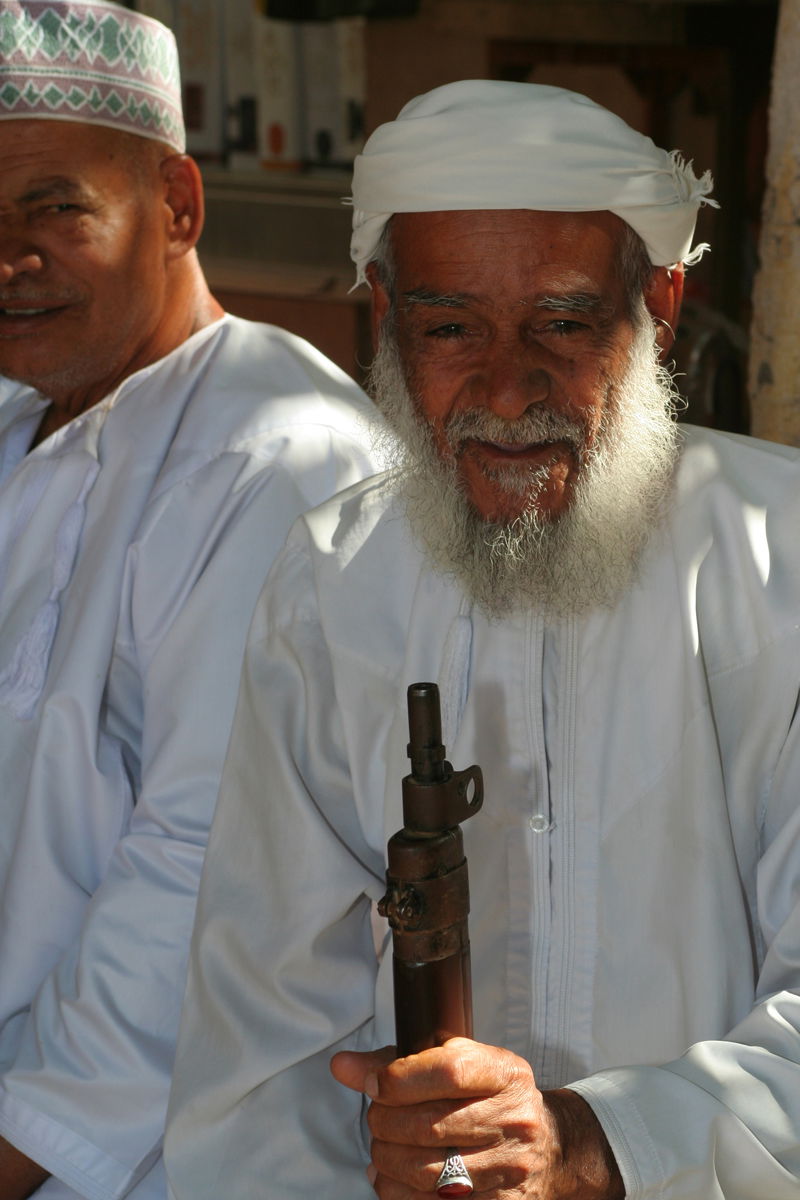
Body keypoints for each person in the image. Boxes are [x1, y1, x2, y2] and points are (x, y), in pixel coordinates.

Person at [165, 80, 800, 1199]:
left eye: (561, 321)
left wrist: (601, 1144)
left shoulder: (778, 557)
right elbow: (263, 1044)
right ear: (382, 310)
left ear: (655, 300)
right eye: (448, 327)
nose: (506, 391)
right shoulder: (332, 580)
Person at [0, 2, 384, 1197]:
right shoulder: (20, 423)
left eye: (53, 205)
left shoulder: (280, 457)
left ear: (177, 205)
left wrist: (20, 1143)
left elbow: (208, 876)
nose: (10, 257)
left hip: (170, 1159)